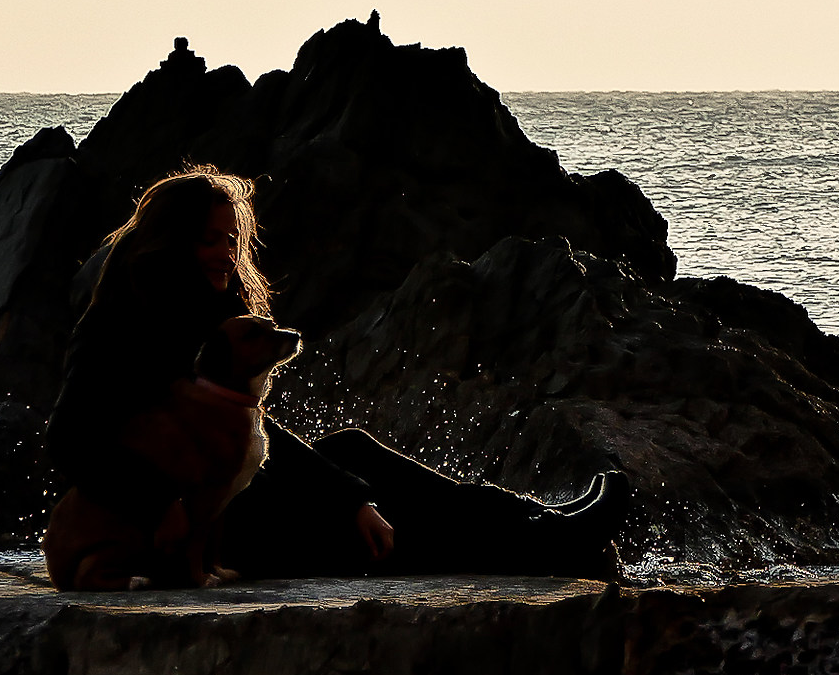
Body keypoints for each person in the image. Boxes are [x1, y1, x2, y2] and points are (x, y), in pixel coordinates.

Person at [42, 165, 629, 588]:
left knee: (353, 454)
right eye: (209, 241)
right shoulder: (119, 326)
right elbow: (67, 440)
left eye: (232, 240)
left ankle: (545, 523)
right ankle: (553, 546)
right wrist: (158, 499)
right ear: (170, 245)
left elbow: (250, 436)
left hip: (237, 503)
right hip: (204, 531)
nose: (226, 253)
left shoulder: (215, 319)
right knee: (382, 530)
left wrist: (352, 498)